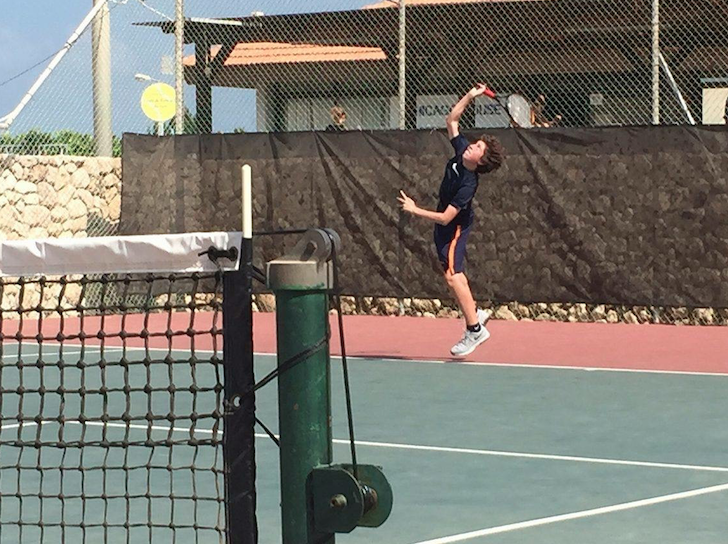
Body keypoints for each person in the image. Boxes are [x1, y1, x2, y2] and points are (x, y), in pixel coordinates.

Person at [398, 84, 505, 357]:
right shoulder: (460, 153)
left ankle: (475, 330)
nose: (472, 145)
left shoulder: (468, 184)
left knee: (453, 276)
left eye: (478, 147)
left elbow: (447, 218)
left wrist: (414, 209)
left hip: (454, 226)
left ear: (481, 160)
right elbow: (452, 119)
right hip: (443, 225)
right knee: (452, 276)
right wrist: (472, 94)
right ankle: (475, 313)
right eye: (475, 143)